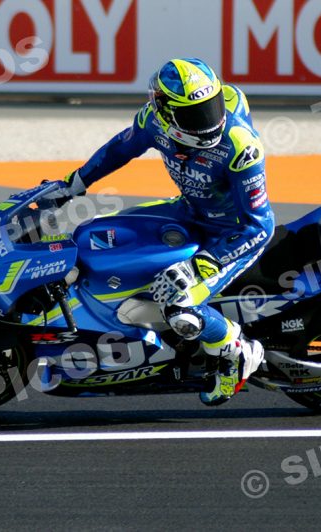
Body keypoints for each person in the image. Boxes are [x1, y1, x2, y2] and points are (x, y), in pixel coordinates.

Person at [48, 58, 275, 406]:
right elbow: (119, 149)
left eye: (210, 107)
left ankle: (237, 353)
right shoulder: (153, 122)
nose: (209, 121)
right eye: (194, 114)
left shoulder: (240, 147)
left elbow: (260, 225)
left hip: (232, 235)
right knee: (99, 235)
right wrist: (73, 184)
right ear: (166, 113)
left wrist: (200, 266)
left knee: (178, 301)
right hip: (189, 211)